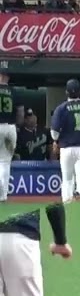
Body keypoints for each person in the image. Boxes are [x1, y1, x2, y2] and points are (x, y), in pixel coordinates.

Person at [50, 80, 80, 203]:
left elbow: (54, 132)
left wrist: (55, 141)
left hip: (66, 147)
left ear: (66, 92)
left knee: (67, 179)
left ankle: (67, 202)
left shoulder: (61, 108)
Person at [0, 71, 14, 202]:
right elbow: (20, 113)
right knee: (5, 162)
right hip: (9, 128)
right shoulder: (13, 91)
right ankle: (3, 195)